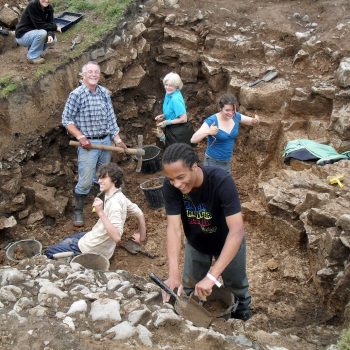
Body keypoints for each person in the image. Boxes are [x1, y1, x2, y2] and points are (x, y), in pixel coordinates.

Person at [161, 143, 252, 321]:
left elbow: (236, 230)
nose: (177, 184)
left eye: (180, 177)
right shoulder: (171, 186)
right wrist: (173, 274)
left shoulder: (221, 181)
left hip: (228, 242)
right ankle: (192, 315)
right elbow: (173, 228)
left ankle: (242, 314)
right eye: (172, 179)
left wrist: (212, 276)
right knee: (190, 285)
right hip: (196, 242)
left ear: (195, 166)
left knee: (236, 284)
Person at [62, 61, 127, 227]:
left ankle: (101, 206)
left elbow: (111, 119)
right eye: (89, 72)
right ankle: (78, 211)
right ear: (83, 75)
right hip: (88, 144)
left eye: (96, 72)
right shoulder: (77, 94)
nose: (93, 75)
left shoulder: (104, 93)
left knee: (104, 177)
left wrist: (117, 140)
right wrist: (80, 137)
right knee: (85, 180)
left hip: (105, 141)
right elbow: (66, 120)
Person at [45, 163, 146, 260]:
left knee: (48, 252)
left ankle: (76, 262)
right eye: (99, 178)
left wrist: (100, 212)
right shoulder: (118, 195)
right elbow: (139, 214)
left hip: (91, 248)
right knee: (68, 238)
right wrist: (141, 239)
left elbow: (117, 237)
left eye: (103, 178)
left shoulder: (115, 204)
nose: (99, 181)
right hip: (96, 239)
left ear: (114, 180)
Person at [191, 94, 259, 174]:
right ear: (220, 109)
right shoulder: (212, 121)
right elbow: (193, 139)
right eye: (227, 110)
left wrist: (256, 121)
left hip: (227, 161)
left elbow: (252, 122)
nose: (231, 113)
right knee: (212, 185)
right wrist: (208, 131)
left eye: (233, 110)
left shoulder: (236, 116)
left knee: (225, 185)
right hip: (212, 161)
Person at [154, 72, 194, 148]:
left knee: (176, 152)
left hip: (179, 131)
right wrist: (163, 116)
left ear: (176, 87)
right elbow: (172, 110)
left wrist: (167, 122)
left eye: (171, 85)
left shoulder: (175, 99)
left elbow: (184, 119)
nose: (167, 87)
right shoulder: (168, 94)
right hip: (171, 127)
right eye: (166, 84)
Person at [15, 0, 61, 64]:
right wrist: (55, 27)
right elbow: (40, 25)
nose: (46, 0)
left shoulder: (49, 8)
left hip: (34, 33)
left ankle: (34, 51)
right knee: (42, 33)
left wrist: (50, 34)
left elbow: (50, 23)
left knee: (53, 40)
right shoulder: (32, 5)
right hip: (22, 36)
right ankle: (32, 57)